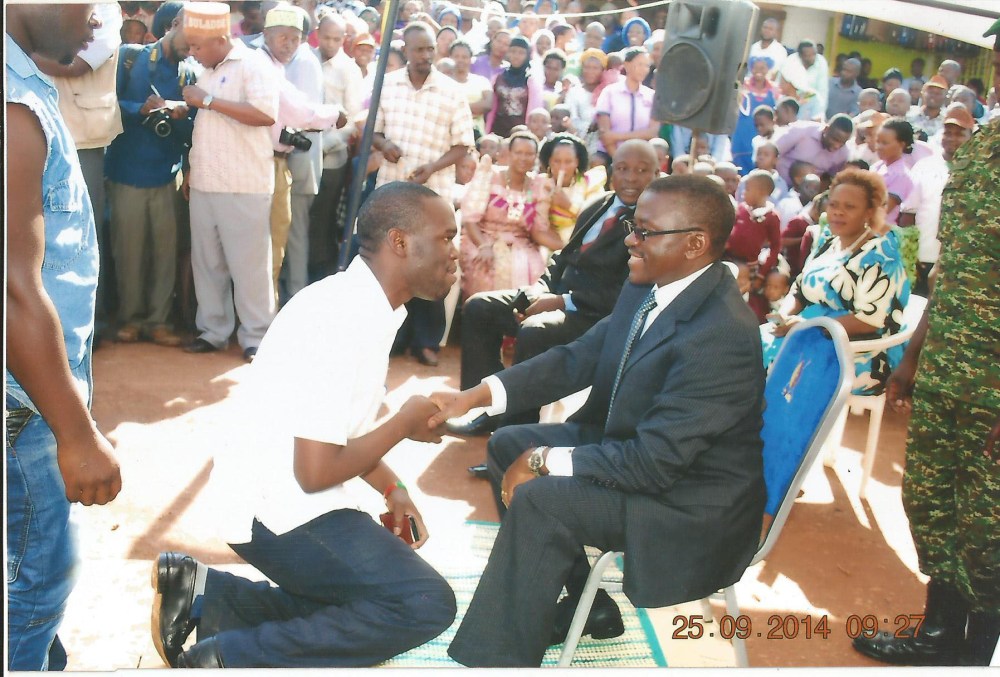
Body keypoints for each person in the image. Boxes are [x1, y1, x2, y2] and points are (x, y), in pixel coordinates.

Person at [432, 175, 767, 667]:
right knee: (507, 445)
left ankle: (497, 658)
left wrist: (546, 460)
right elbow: (578, 358)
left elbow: (654, 465)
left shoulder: (720, 334)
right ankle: (589, 606)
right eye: (634, 224)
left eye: (646, 231)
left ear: (695, 243)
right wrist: (474, 396)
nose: (630, 238)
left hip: (684, 497)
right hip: (640, 453)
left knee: (544, 499)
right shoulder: (652, 284)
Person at [149, 182, 459, 669]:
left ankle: (211, 595)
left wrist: (392, 487)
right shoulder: (344, 316)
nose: (455, 253)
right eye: (446, 238)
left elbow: (343, 429)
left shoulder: (365, 305)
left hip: (284, 496)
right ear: (400, 242)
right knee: (422, 603)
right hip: (276, 508)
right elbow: (315, 471)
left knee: (365, 601)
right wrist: (403, 422)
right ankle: (227, 660)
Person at [852, 23, 1000, 668]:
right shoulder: (986, 142)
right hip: (947, 367)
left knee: (989, 521)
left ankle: (976, 652)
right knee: (932, 499)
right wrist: (913, 354)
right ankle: (941, 633)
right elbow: (957, 266)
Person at [6, 5, 124, 669]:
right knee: (34, 586)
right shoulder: (12, 106)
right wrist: (76, 434)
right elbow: (11, 289)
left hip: (31, 394)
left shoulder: (26, 86)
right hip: (24, 404)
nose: (99, 20)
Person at [446, 139, 659, 436]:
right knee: (480, 308)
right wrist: (540, 290)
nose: (632, 178)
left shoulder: (653, 223)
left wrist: (560, 301)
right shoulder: (599, 204)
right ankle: (485, 408)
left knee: (535, 330)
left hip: (597, 316)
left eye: (642, 170)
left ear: (656, 174)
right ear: (611, 172)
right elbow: (563, 256)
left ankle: (513, 434)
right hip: (556, 296)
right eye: (623, 169)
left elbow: (627, 291)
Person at [179, 2, 280, 362]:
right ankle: (213, 332)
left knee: (249, 266)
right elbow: (207, 126)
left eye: (197, 46)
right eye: (189, 46)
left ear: (221, 39)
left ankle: (256, 337)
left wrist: (207, 100)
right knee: (207, 265)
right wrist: (192, 169)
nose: (192, 52)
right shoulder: (207, 69)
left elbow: (265, 114)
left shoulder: (253, 65)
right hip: (206, 180)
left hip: (244, 182)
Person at [372, 21, 474, 367]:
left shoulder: (452, 91)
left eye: (431, 49)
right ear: (405, 49)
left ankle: (427, 340)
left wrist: (432, 168)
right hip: (391, 193)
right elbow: (372, 129)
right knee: (392, 262)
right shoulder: (387, 85)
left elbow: (463, 145)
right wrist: (384, 144)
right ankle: (392, 338)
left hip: (434, 196)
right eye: (419, 49)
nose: (426, 55)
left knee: (431, 265)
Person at [762, 168, 911, 396]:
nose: (838, 212)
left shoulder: (881, 255)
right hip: (807, 329)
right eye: (833, 205)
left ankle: (777, 427)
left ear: (869, 212)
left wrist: (806, 327)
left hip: (856, 349)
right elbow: (799, 290)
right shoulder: (827, 244)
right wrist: (784, 317)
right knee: (750, 345)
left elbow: (870, 320)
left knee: (782, 364)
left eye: (849, 207)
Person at [105, 1, 196, 348]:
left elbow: (194, 132)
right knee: (127, 252)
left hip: (166, 175)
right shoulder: (130, 57)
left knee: (163, 253)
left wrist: (180, 115)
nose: (192, 47)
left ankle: (157, 321)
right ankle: (129, 319)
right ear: (174, 24)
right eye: (189, 37)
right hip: (126, 171)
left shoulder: (190, 74)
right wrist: (137, 108)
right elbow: (107, 103)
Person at [459, 131, 562, 298]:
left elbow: (537, 230)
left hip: (521, 243)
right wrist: (484, 246)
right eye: (518, 153)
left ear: (535, 157)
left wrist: (565, 246)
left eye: (529, 154)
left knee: (533, 268)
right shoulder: (489, 175)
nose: (523, 158)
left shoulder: (538, 185)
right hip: (483, 238)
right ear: (508, 153)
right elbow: (470, 220)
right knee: (486, 266)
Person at [309, 10, 363, 281]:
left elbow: (354, 120)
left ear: (344, 39)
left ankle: (318, 276)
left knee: (323, 220)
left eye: (335, 39)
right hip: (301, 153)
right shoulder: (305, 60)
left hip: (331, 158)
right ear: (317, 34)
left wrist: (324, 144)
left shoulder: (349, 70)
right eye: (325, 38)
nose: (330, 44)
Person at [899, 105, 975, 296]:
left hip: (961, 262)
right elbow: (908, 215)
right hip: (925, 256)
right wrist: (908, 257)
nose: (952, 138)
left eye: (959, 134)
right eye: (948, 132)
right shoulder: (925, 166)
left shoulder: (978, 171)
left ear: (971, 137)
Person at [537, 132, 607, 244]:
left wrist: (568, 205)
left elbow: (597, 219)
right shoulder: (539, 184)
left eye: (568, 162)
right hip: (549, 244)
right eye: (557, 161)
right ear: (549, 161)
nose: (562, 167)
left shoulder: (590, 183)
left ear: (577, 162)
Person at [594, 46, 658, 154]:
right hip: (611, 152)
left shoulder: (652, 96)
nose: (644, 69)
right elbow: (605, 134)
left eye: (647, 66)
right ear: (627, 65)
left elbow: (652, 132)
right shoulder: (610, 92)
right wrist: (618, 159)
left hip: (642, 153)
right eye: (639, 65)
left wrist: (616, 136)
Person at [726, 169, 782, 282]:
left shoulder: (771, 216)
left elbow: (775, 246)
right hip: (728, 258)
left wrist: (762, 274)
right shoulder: (741, 209)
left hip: (749, 266)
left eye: (747, 189)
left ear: (761, 192)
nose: (743, 193)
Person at [485, 35, 542, 137]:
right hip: (498, 130)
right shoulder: (498, 78)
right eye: (513, 51)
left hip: (521, 132)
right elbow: (492, 107)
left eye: (521, 53)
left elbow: (534, 109)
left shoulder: (531, 81)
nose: (516, 56)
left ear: (528, 55)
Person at [732, 55, 780, 174]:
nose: (759, 71)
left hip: (764, 136)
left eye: (762, 68)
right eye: (755, 67)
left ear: (768, 69)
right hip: (742, 133)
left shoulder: (774, 89)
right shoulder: (743, 85)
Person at [775, 114, 853, 185]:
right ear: (826, 129)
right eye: (835, 139)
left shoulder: (843, 153)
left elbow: (832, 178)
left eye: (842, 143)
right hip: (779, 182)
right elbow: (773, 152)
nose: (837, 146)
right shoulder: (802, 131)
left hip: (809, 193)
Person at [563, 47, 607, 154]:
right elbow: (572, 119)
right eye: (587, 67)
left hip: (603, 145)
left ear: (602, 70)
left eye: (595, 68)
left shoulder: (607, 92)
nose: (590, 71)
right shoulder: (574, 92)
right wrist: (589, 126)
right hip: (579, 142)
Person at [449, 39, 494, 135]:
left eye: (464, 57)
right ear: (450, 58)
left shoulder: (482, 81)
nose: (460, 60)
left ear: (470, 59)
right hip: (449, 133)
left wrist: (457, 109)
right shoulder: (443, 81)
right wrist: (473, 108)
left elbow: (487, 105)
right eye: (456, 56)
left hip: (476, 134)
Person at [781, 40, 828, 121]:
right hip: (791, 103)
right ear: (800, 55)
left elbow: (822, 92)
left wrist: (819, 112)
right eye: (808, 55)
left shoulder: (821, 62)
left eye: (814, 54)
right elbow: (783, 86)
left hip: (811, 104)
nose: (813, 57)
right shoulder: (790, 61)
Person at [906, 75, 948, 139]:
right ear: (922, 93)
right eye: (931, 92)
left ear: (945, 97)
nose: (933, 96)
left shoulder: (947, 120)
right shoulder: (910, 114)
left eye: (938, 93)